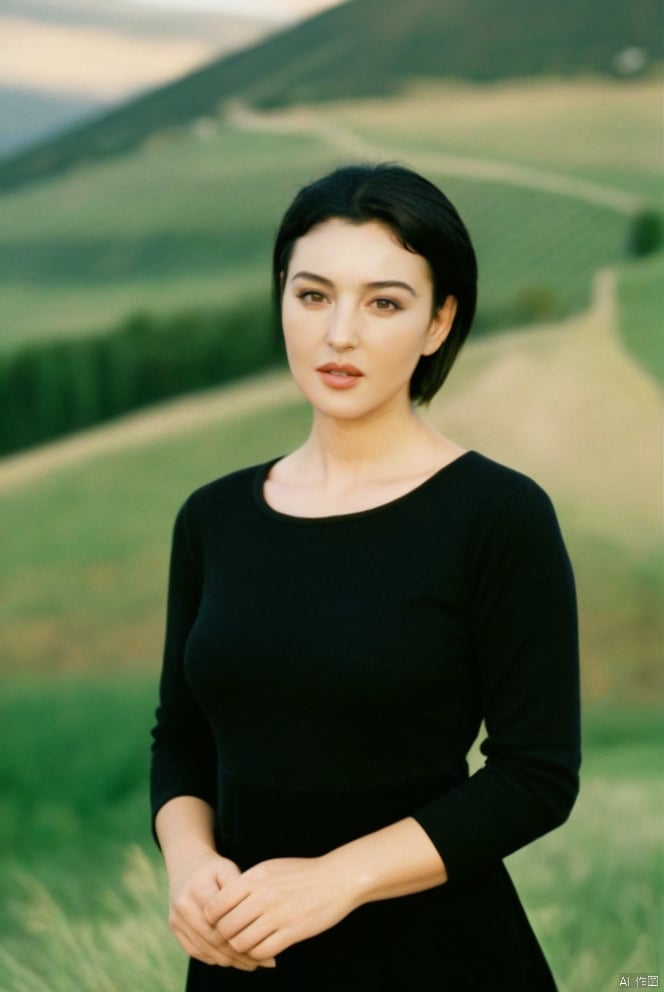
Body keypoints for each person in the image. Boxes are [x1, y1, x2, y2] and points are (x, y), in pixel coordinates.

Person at [150, 163, 581, 990]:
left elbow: (536, 775)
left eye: (384, 302)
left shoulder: (498, 516)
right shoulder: (213, 518)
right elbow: (183, 737)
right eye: (313, 295)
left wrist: (335, 879)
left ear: (438, 323)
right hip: (243, 954)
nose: (338, 333)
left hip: (441, 958)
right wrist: (189, 865)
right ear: (281, 298)